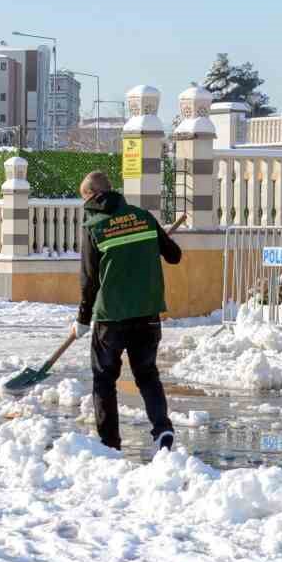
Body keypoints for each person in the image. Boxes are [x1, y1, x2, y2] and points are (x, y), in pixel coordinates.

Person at [73, 169, 183, 453]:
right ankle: (163, 429)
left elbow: (89, 279)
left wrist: (83, 319)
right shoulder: (143, 217)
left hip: (111, 318)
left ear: (92, 196)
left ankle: (110, 444)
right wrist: (154, 242)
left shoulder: (93, 227)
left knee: (104, 379)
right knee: (147, 374)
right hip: (147, 315)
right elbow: (174, 256)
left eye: (84, 199)